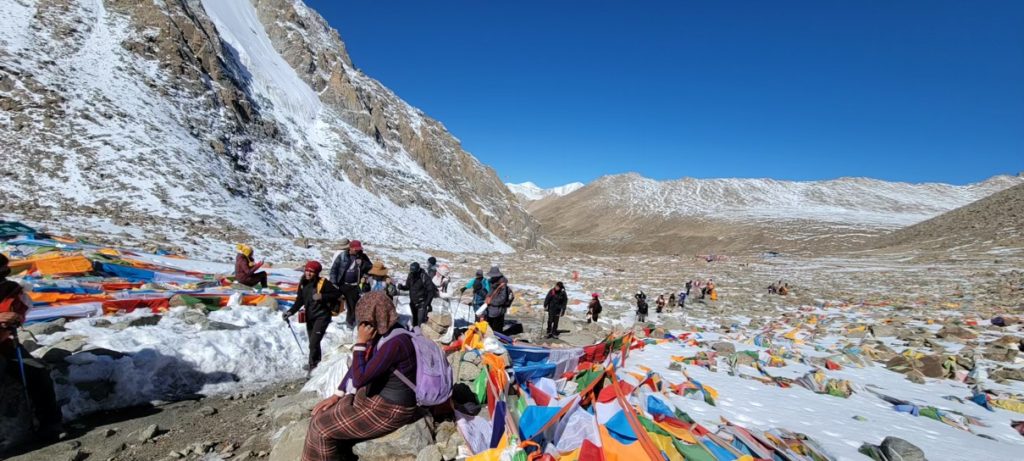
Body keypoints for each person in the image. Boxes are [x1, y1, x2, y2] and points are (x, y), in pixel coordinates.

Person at [302, 292, 418, 461]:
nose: (362, 326)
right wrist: (337, 395)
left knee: (320, 429)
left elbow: (359, 379)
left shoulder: (395, 343)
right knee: (325, 413)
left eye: (365, 321)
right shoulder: (385, 333)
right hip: (377, 398)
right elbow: (358, 368)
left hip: (391, 409)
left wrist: (360, 343)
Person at [0, 253, 63, 441]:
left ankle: (50, 424)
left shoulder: (11, 292)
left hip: (4, 344)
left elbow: (14, 317)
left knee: (36, 372)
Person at [283, 261, 342, 371]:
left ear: (316, 273)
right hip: (310, 316)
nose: (308, 273)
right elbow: (299, 301)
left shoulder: (323, 283)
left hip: (322, 316)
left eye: (311, 271)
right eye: (307, 270)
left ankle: (312, 366)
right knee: (313, 342)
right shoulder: (303, 283)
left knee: (313, 342)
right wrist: (290, 312)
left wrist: (322, 296)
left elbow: (337, 294)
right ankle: (316, 363)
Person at [328, 239, 373, 328]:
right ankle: (328, 322)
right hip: (341, 283)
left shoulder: (363, 257)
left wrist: (362, 265)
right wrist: (333, 282)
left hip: (354, 285)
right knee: (332, 302)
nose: (357, 251)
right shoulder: (342, 256)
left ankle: (350, 323)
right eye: (356, 249)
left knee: (352, 306)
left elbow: (370, 268)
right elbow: (334, 269)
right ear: (350, 248)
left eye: (358, 249)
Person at [398, 262, 435, 327]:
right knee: (414, 322)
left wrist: (426, 304)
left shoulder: (424, 277)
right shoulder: (411, 275)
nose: (413, 273)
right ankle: (415, 335)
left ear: (418, 270)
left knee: (420, 323)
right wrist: (402, 287)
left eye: (414, 272)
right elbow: (408, 286)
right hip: (412, 303)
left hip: (422, 304)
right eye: (412, 272)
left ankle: (420, 335)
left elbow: (431, 291)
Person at [482, 266, 513, 334]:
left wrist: (491, 301)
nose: (491, 278)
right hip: (492, 311)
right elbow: (491, 295)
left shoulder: (502, 286)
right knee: (492, 330)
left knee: (496, 331)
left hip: (497, 312)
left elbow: (502, 299)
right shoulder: (495, 284)